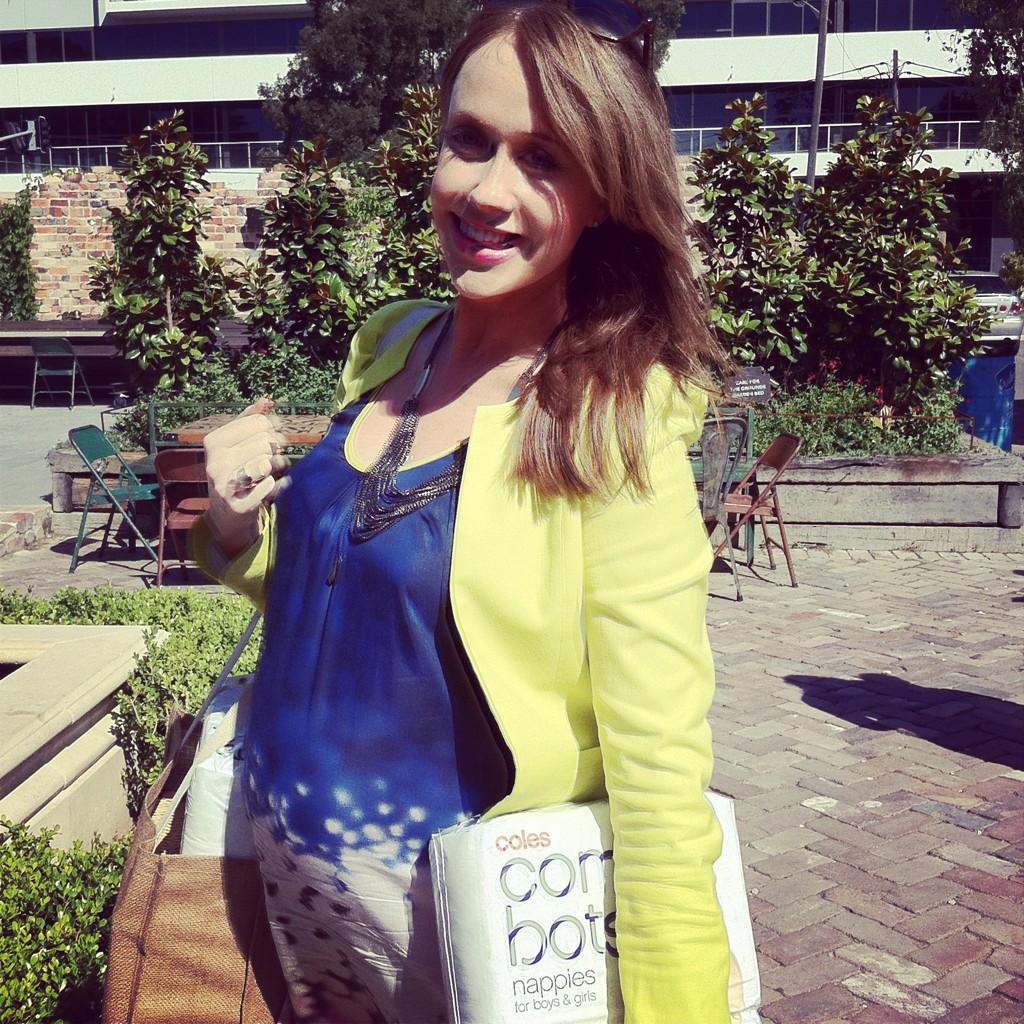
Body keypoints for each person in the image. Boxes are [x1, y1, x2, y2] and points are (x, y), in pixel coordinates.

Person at [193, 2, 731, 1021]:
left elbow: (660, 771)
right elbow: (350, 604)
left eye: (544, 160)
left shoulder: (609, 420)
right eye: (470, 141)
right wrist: (232, 532)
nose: (486, 192)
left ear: (605, 195)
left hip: (451, 947)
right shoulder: (392, 343)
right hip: (286, 915)